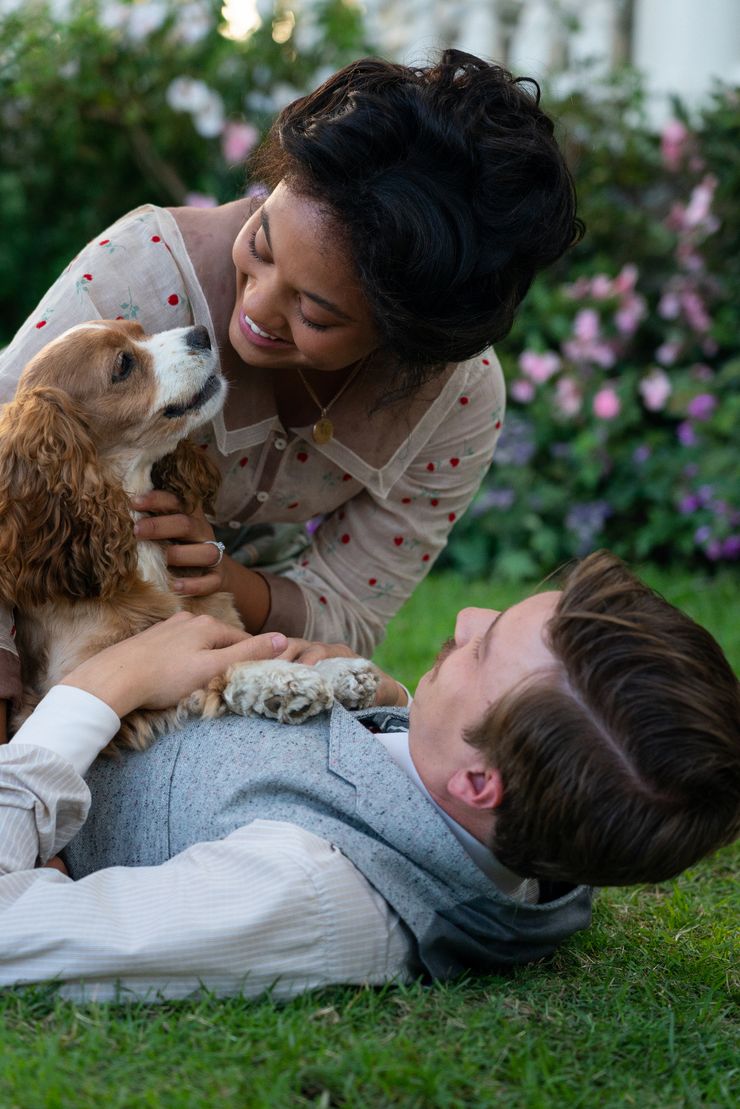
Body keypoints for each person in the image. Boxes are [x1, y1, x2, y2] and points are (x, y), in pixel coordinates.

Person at [0, 49, 582, 728]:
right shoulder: (138, 274)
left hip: (234, 634)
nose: (258, 307)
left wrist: (222, 578)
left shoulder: (456, 401)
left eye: (316, 312)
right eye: (263, 243)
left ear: (406, 343)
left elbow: (349, 608)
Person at [0, 551, 737, 1001]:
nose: (468, 615)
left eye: (480, 653)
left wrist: (103, 687)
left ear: (481, 785)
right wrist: (392, 707)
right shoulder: (492, 809)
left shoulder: (305, 895)